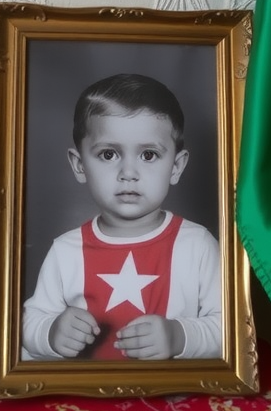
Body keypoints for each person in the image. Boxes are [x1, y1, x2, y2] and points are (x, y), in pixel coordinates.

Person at [22, 73, 222, 361]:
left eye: (149, 155)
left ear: (176, 167)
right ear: (79, 165)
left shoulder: (198, 245)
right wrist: (51, 332)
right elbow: (29, 321)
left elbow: (232, 329)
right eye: (108, 154)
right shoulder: (66, 250)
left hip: (172, 399)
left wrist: (179, 336)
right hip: (88, 400)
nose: (128, 173)